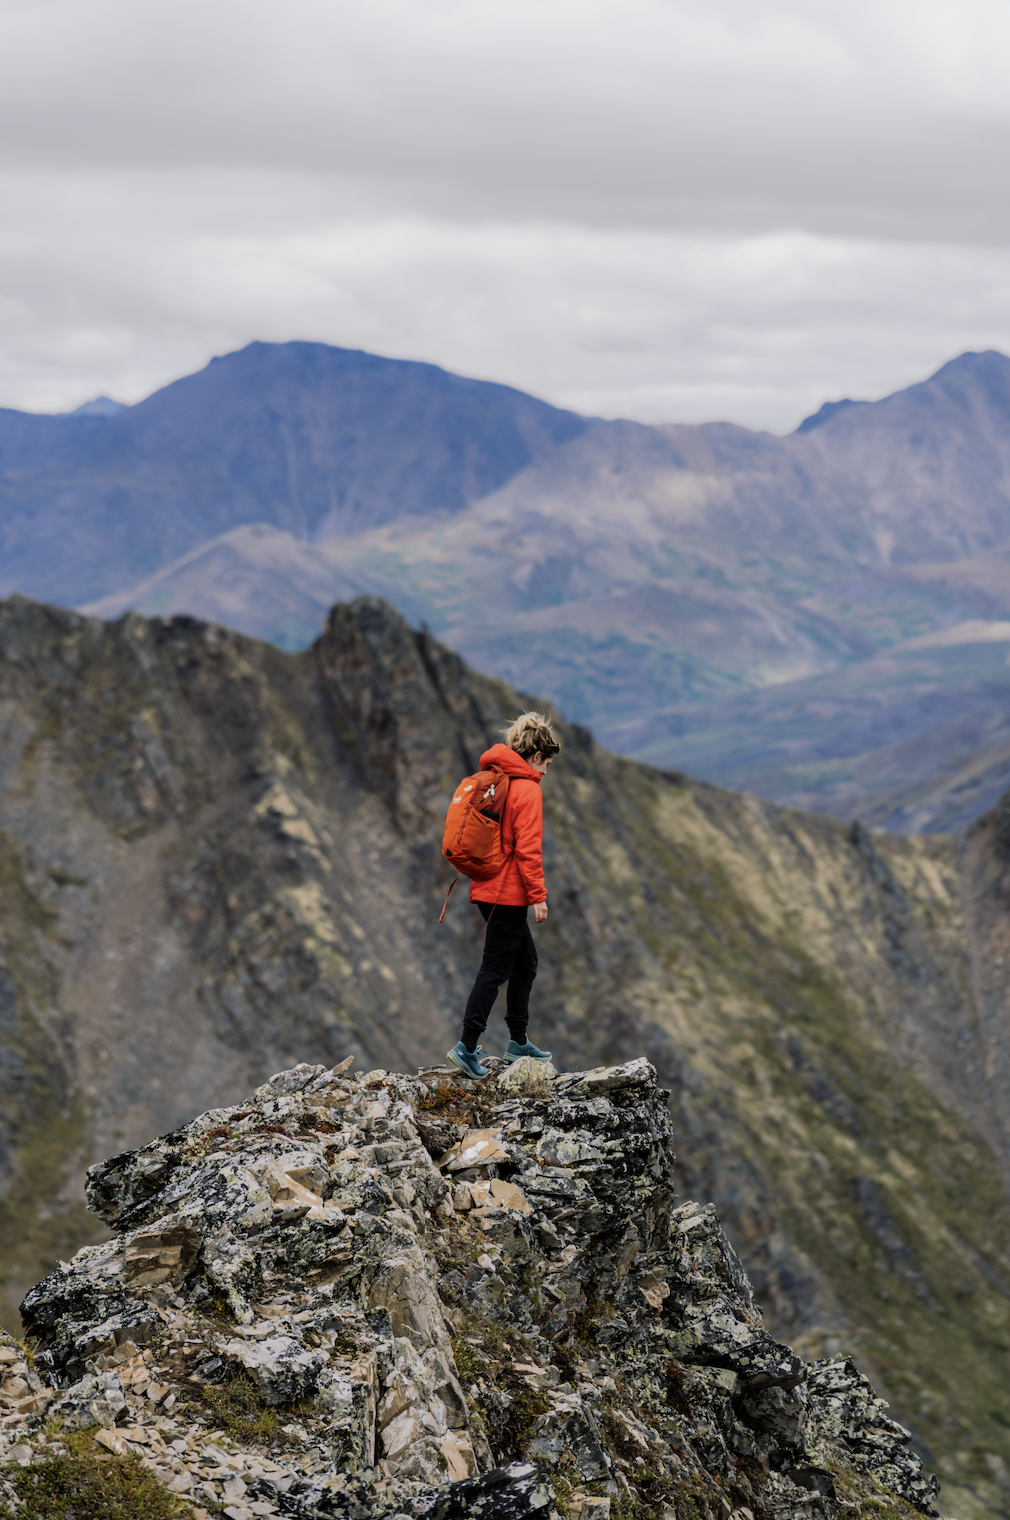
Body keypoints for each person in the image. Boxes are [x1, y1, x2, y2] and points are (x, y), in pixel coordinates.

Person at [446, 711, 561, 1080]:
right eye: (545, 763)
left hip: (487, 890)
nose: (545, 771)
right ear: (533, 756)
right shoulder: (527, 790)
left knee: (524, 963)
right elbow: (529, 851)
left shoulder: (500, 782)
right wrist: (538, 896)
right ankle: (466, 1047)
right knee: (496, 968)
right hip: (507, 895)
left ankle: (517, 1041)